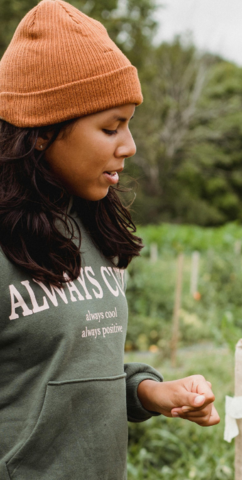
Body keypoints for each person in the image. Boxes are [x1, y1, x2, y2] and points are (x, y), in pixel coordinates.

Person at [0, 2, 219, 479]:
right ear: (41, 133)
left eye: (128, 123)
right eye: (110, 127)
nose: (130, 145)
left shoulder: (93, 231)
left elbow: (69, 375)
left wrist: (149, 391)